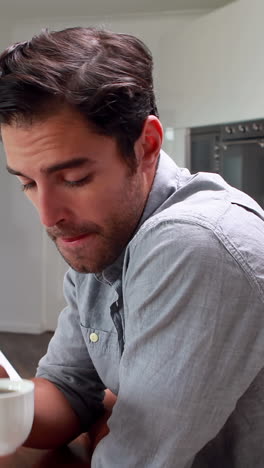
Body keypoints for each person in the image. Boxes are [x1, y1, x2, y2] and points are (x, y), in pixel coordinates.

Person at [0, 26, 264, 468]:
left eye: (74, 178)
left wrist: (108, 420)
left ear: (147, 146)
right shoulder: (101, 241)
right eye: (28, 182)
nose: (48, 216)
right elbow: (67, 390)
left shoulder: (196, 243)